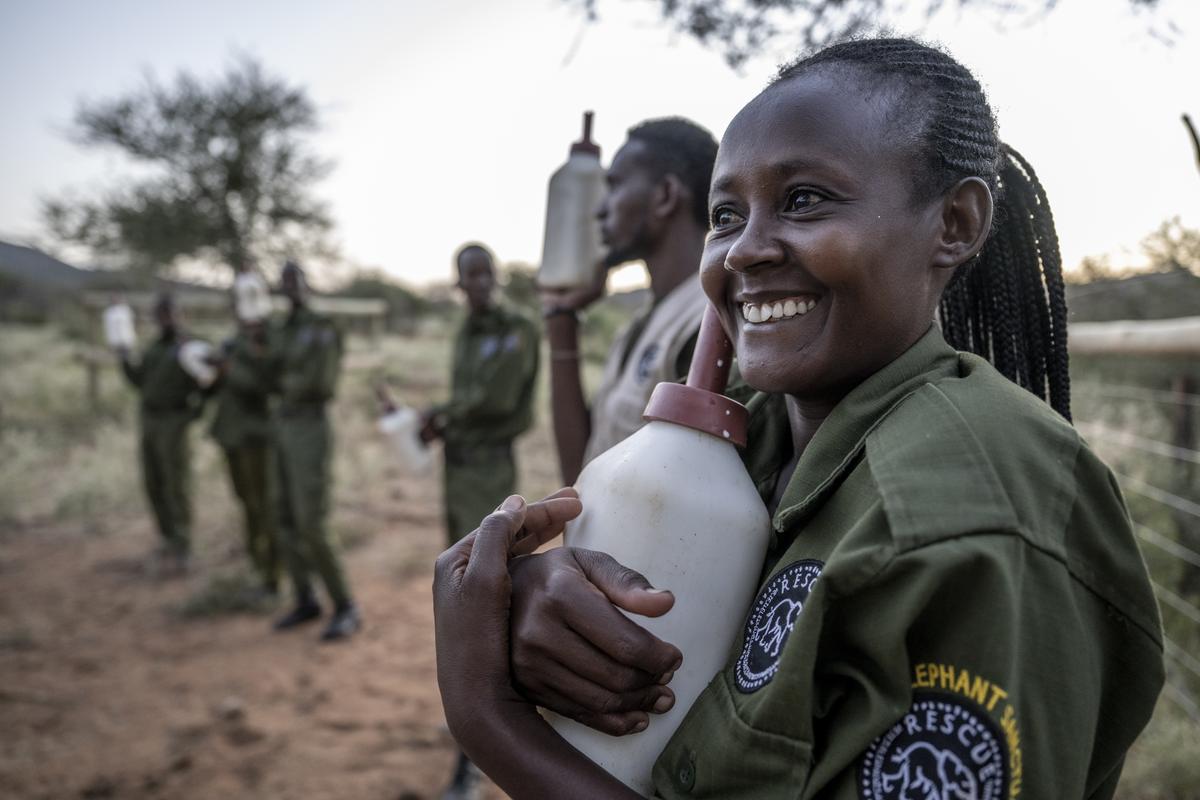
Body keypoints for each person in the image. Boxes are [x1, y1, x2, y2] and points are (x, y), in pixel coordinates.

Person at [431, 38, 1165, 799]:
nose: (744, 251)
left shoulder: (968, 519)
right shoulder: (747, 436)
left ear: (954, 222)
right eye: (726, 213)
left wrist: (489, 716)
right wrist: (550, 604)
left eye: (804, 199)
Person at [422, 243, 540, 800]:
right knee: (458, 586)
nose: (477, 284)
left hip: (490, 470)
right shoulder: (467, 332)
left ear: (495, 276)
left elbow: (495, 399)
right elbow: (468, 398)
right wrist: (440, 423)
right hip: (458, 467)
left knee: (487, 593)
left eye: (484, 273)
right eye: (467, 276)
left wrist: (444, 414)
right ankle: (472, 726)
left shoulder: (515, 328)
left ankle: (484, 747)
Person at [542, 118, 717, 484]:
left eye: (615, 186)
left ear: (665, 195)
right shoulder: (638, 328)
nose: (600, 211)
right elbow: (580, 475)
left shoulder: (706, 326)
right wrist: (562, 322)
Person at [270, 261, 361, 641]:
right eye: (284, 282)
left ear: (307, 285)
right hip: (282, 425)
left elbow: (320, 383)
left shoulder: (322, 326)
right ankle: (305, 597)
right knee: (284, 516)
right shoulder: (278, 329)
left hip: (309, 426)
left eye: (296, 281)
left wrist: (283, 380)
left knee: (312, 519)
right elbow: (265, 373)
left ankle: (346, 605)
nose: (290, 288)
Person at [118, 293, 206, 575]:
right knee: (153, 481)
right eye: (161, 314)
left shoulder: (190, 347)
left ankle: (183, 545)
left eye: (171, 313)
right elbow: (139, 380)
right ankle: (166, 537)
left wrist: (193, 414)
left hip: (173, 421)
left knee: (176, 483)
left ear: (181, 315)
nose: (166, 319)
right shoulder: (154, 348)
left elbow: (210, 382)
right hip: (150, 420)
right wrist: (123, 358)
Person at [209, 292, 280, 597]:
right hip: (233, 437)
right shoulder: (234, 341)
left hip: (256, 438)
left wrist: (228, 369)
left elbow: (261, 386)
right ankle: (257, 564)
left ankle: (272, 574)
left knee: (264, 506)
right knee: (247, 503)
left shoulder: (266, 340)